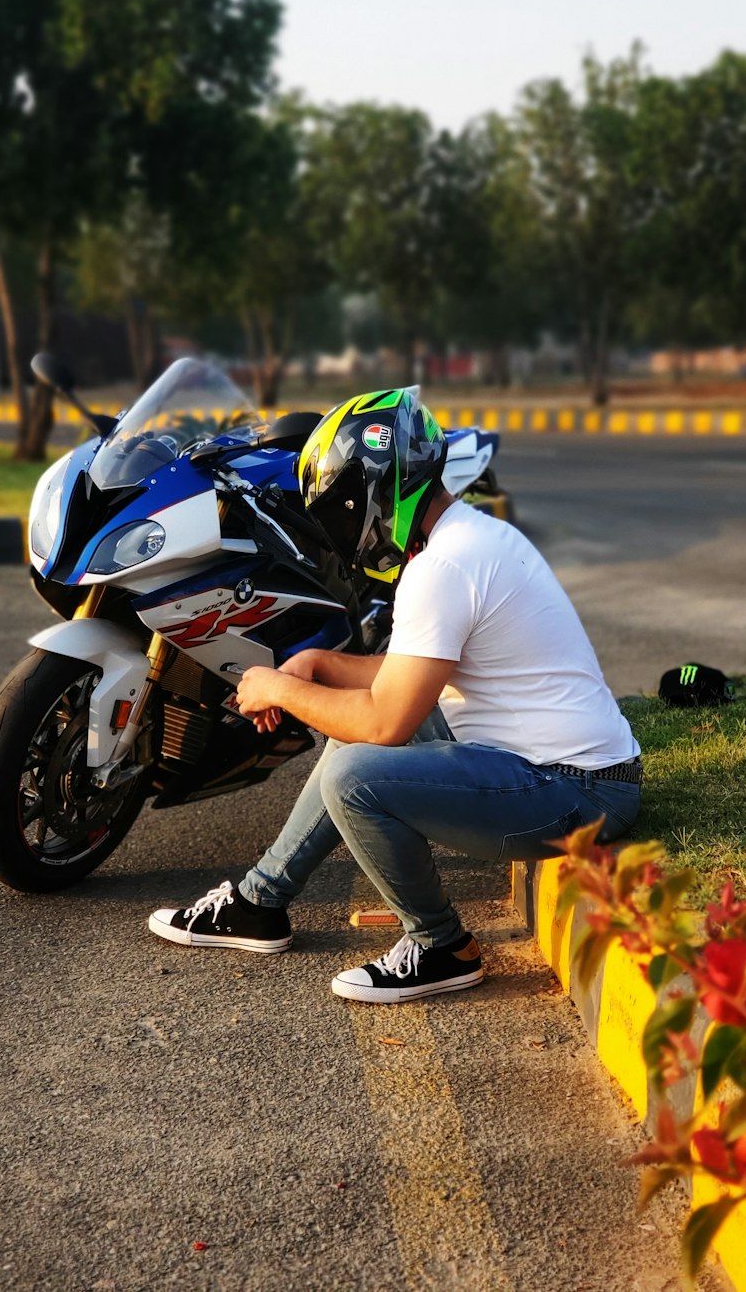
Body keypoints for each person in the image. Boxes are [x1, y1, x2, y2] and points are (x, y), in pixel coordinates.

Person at [148, 388, 641, 1003]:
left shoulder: (443, 569)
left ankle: (440, 946)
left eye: (340, 510)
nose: (341, 531)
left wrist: (276, 685)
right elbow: (404, 676)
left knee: (356, 770)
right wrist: (320, 664)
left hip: (574, 790)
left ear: (374, 491)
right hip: (583, 775)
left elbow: (384, 720)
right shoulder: (466, 539)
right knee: (363, 733)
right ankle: (258, 903)